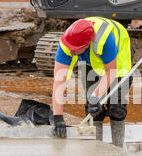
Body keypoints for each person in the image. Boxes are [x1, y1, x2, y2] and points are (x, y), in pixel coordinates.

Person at [52, 17, 133, 147]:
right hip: (90, 61)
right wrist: (58, 117)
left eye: (75, 49)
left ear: (86, 44)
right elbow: (59, 81)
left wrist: (97, 95)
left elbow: (111, 72)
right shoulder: (68, 42)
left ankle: (118, 148)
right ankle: (95, 147)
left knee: (117, 106)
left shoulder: (105, 39)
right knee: (93, 107)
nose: (71, 51)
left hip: (117, 58)